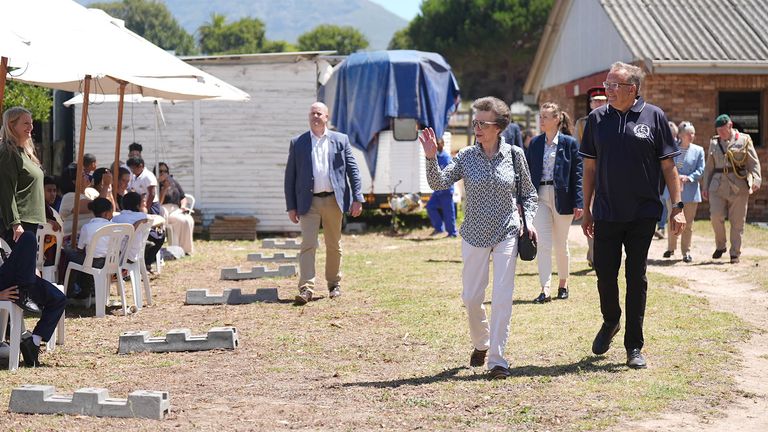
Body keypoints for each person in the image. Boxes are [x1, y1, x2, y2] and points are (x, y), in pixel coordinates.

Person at [421, 96, 538, 379]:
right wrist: (429, 157)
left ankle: (497, 360)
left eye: (483, 123)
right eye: (475, 122)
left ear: (499, 127)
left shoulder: (514, 155)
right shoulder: (465, 156)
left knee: (502, 297)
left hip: (507, 232)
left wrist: (529, 220)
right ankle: (481, 342)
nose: (477, 128)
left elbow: (528, 194)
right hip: (473, 233)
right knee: (472, 298)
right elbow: (438, 183)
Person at [580, 62, 685, 369]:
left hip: (643, 213)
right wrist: (586, 209)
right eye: (607, 84)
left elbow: (669, 167)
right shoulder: (596, 119)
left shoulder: (655, 117)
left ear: (633, 89)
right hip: (607, 212)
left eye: (614, 85)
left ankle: (633, 346)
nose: (607, 90)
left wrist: (677, 208)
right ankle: (611, 320)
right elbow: (589, 169)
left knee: (635, 277)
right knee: (604, 273)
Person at [284, 102, 364, 305]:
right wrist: (291, 206)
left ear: (327, 117)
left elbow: (352, 170)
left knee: (333, 245)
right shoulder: (298, 142)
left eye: (319, 113)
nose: (315, 116)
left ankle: (334, 284)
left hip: (333, 201)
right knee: (308, 245)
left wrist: (357, 198)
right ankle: (306, 288)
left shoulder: (340, 140)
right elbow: (290, 177)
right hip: (308, 202)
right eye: (312, 113)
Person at [525, 102, 583, 303]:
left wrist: (579, 201)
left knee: (560, 244)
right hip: (539, 196)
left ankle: (563, 283)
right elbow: (526, 173)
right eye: (540, 116)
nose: (541, 120)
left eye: (546, 117)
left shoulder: (569, 143)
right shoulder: (534, 143)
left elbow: (578, 174)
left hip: (563, 197)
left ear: (557, 119)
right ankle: (545, 289)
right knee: (543, 244)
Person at [0, 231, 67, 367]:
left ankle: (34, 343)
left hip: (16, 279)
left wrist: (31, 269)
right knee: (29, 237)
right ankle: (26, 289)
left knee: (59, 298)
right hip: (7, 284)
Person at [701, 114, 762, 264]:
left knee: (737, 222)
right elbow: (709, 167)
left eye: (723, 130)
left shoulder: (744, 140)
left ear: (730, 125)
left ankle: (735, 253)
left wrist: (756, 178)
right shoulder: (714, 142)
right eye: (718, 130)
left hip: (738, 185)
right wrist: (705, 186)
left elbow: (753, 162)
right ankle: (721, 246)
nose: (720, 133)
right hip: (717, 185)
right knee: (715, 216)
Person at [0, 107, 45, 245]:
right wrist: (15, 223)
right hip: (19, 223)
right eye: (26, 123)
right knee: (19, 265)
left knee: (27, 265)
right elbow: (6, 190)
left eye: (31, 123)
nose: (31, 127)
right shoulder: (8, 152)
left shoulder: (25, 153)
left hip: (30, 221)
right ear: (11, 125)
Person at [662, 121, 705, 262]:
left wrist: (689, 177)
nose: (691, 136)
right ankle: (670, 248)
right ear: (680, 135)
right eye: (688, 133)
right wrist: (676, 177)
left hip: (690, 192)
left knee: (688, 223)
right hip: (672, 191)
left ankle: (686, 251)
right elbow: (667, 167)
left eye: (693, 133)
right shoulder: (672, 149)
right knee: (672, 219)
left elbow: (701, 169)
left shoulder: (698, 150)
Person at [575, 87, 608, 268]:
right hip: (590, 174)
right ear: (590, 104)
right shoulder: (583, 123)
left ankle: (597, 253)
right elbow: (579, 153)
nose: (598, 104)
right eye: (595, 101)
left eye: (602, 101)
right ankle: (594, 255)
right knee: (591, 213)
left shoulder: (612, 119)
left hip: (608, 175)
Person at [61, 198, 114, 299]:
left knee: (68, 254)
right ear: (106, 214)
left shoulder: (87, 227)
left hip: (92, 263)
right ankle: (85, 289)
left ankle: (70, 290)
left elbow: (80, 249)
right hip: (111, 262)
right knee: (85, 259)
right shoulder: (116, 227)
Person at [157, 162, 194, 255]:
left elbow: (183, 197)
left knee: (189, 219)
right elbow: (158, 203)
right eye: (160, 171)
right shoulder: (156, 184)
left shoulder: (173, 182)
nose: (163, 173)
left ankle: (186, 249)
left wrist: (183, 206)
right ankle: (177, 248)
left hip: (176, 208)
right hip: (164, 209)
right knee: (181, 220)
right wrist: (164, 188)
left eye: (165, 171)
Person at [426, 138, 457, 238]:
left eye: (438, 144)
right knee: (430, 206)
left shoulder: (446, 158)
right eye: (436, 144)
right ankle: (439, 228)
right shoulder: (434, 157)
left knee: (448, 213)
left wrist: (447, 188)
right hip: (437, 191)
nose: (437, 146)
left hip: (446, 191)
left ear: (442, 145)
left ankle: (452, 233)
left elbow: (450, 175)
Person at [654, 121, 680, 240]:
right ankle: (660, 226)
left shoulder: (679, 147)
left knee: (665, 203)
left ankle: (661, 227)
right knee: (661, 202)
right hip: (659, 179)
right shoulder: (659, 144)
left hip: (671, 180)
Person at [42, 176, 63, 266]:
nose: (53, 194)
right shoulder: (39, 207)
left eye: (54, 191)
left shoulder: (49, 208)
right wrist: (48, 221)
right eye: (49, 190)